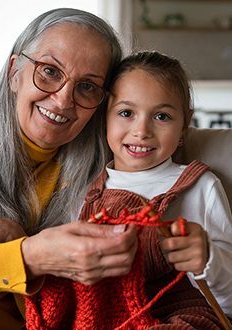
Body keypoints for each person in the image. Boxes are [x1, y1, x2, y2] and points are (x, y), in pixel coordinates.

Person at [0, 8, 140, 329]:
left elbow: (78, 311)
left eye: (87, 86)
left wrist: (16, 238)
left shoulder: (107, 167)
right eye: (50, 71)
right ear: (14, 72)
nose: (64, 100)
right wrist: (29, 255)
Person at [18, 50, 232, 329]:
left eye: (162, 116)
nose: (141, 130)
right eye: (126, 113)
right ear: (104, 117)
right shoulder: (83, 190)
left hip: (178, 315)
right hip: (99, 316)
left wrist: (207, 260)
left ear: (184, 125)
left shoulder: (201, 187)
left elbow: (228, 301)